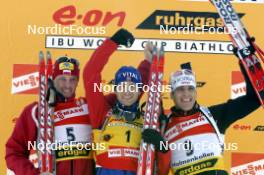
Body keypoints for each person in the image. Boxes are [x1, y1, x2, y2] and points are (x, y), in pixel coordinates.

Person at [142, 61, 261, 175]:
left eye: (190, 88)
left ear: (196, 92)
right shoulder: (164, 125)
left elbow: (256, 99)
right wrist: (162, 147)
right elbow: (160, 171)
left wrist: (247, 61)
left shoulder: (214, 115)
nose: (186, 94)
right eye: (180, 89)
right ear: (172, 95)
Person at [6, 57, 94, 175]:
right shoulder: (37, 111)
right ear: (53, 79)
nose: (68, 85)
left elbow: (118, 99)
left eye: (72, 79)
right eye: (62, 79)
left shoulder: (87, 107)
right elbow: (14, 151)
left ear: (78, 82)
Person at [83, 28, 153, 175]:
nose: (127, 91)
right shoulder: (102, 112)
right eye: (122, 87)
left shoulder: (146, 119)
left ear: (140, 90)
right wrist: (112, 42)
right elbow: (90, 73)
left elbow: (143, 80)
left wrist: (148, 62)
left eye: (132, 87)